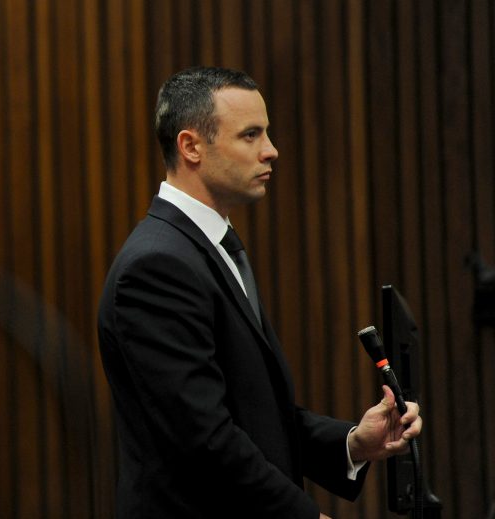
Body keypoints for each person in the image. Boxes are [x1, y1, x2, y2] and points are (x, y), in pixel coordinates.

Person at [96, 66, 422, 518]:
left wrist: (352, 443)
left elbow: (252, 412)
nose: (271, 151)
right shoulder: (158, 266)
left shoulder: (205, 247)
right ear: (191, 146)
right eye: (250, 136)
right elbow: (205, 439)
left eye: (266, 134)